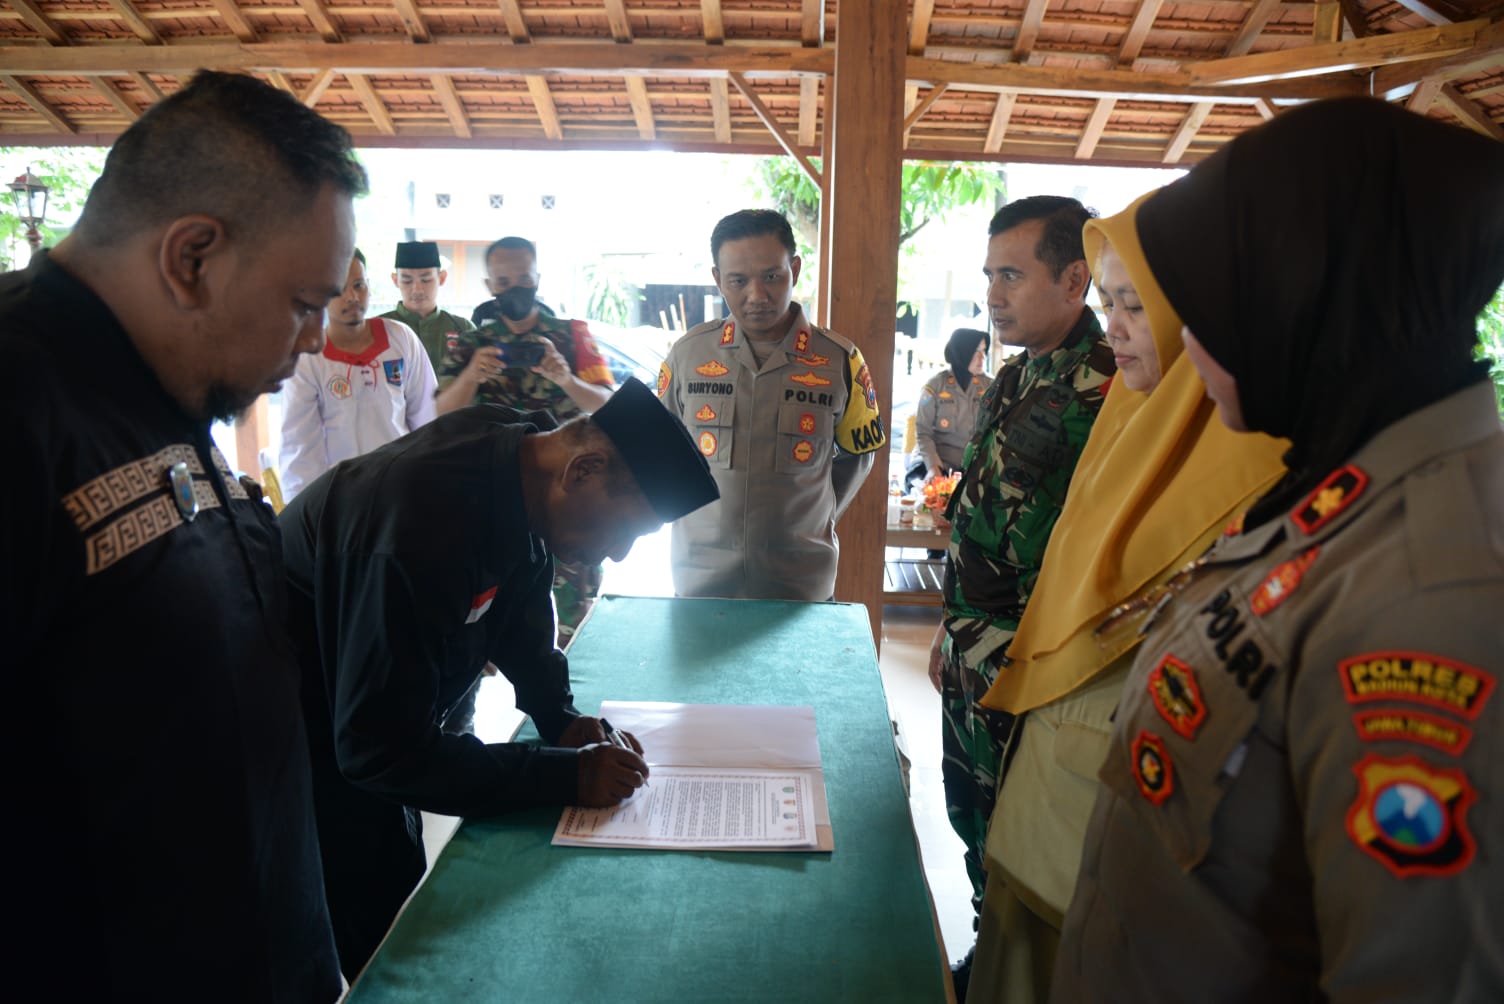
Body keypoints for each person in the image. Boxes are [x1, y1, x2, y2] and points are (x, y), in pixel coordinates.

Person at [1053, 98, 1504, 1000]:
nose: (1188, 343)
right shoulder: (1327, 490)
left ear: (1312, 300)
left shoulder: (1426, 592)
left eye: (1217, 304)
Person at [1, 70, 365, 998]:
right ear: (192, 258)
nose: (318, 338)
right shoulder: (22, 404)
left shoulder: (164, 394)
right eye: (302, 302)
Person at [282, 377, 719, 978]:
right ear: (583, 470)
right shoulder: (417, 520)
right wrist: (563, 775)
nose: (616, 554)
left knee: (405, 904)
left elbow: (515, 588)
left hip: (374, 702)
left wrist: (557, 716)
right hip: (296, 732)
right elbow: (376, 751)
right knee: (378, 942)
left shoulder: (520, 461)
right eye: (625, 530)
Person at [962, 195, 1287, 1002]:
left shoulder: (1258, 454)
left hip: (1115, 812)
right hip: (1046, 782)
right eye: (1111, 304)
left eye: (1134, 304)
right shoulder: (1131, 415)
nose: (1115, 326)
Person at [925, 196, 1115, 990]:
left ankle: (1020, 975)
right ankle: (984, 953)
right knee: (968, 809)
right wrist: (948, 627)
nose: (994, 294)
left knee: (1022, 837)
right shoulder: (1017, 374)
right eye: (988, 276)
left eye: (1012, 275)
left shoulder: (1106, 389)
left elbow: (1092, 547)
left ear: (1075, 279)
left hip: (1031, 663)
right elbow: (980, 508)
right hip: (974, 646)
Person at [656, 208, 885, 600]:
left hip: (800, 584)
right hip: (701, 585)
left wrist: (818, 517)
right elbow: (659, 449)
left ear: (794, 268)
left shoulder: (840, 360)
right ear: (717, 280)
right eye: (738, 281)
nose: (756, 296)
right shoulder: (687, 355)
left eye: (772, 277)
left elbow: (858, 454)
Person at [436, 234, 615, 645]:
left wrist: (564, 379)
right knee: (483, 616)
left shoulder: (571, 337)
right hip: (495, 496)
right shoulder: (470, 344)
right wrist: (471, 377)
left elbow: (607, 406)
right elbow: (439, 416)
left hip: (572, 495)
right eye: (503, 282)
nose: (515, 289)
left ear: (537, 278)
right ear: (489, 287)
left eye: (523, 279)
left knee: (577, 614)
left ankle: (576, 695)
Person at [279, 248, 438, 501]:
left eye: (359, 285)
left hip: (404, 490)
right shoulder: (308, 358)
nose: (352, 296)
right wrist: (306, 515)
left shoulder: (401, 338)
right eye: (339, 288)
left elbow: (429, 419)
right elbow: (300, 449)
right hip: (343, 500)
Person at [912, 327, 992, 485]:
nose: (982, 357)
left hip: (974, 468)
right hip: (937, 464)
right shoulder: (935, 386)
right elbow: (923, 432)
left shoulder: (991, 387)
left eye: (984, 350)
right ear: (962, 351)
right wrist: (934, 467)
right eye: (976, 351)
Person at [381, 239, 476, 371]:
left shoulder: (463, 328)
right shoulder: (378, 328)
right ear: (396, 280)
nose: (417, 289)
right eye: (407, 280)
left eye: (426, 280)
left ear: (441, 278)